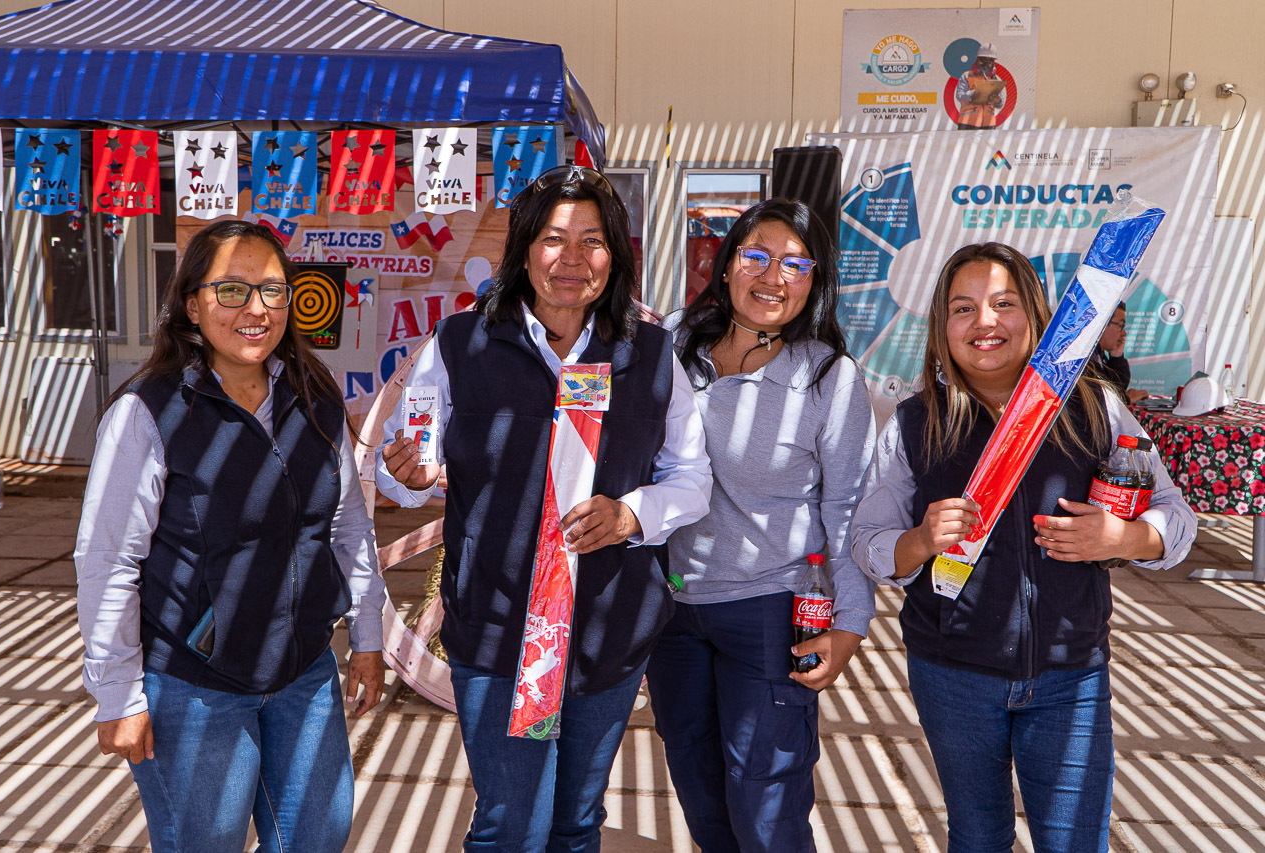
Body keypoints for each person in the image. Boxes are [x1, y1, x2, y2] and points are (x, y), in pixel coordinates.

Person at [376, 164, 712, 852]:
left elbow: (691, 477)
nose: (572, 258)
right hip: (499, 631)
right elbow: (409, 465)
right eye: (554, 238)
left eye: (593, 241)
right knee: (512, 825)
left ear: (615, 256)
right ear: (525, 249)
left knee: (575, 822)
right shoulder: (462, 343)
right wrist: (407, 474)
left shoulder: (649, 353)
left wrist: (632, 514)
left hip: (607, 631)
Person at [851, 242, 1196, 852]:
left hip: (1070, 674)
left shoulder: (1094, 408)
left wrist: (1123, 537)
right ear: (942, 326)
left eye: (1003, 303)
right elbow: (868, 543)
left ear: (1035, 316)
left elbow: (1176, 518)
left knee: (1073, 840)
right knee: (977, 836)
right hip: (952, 674)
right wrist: (920, 539)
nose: (984, 322)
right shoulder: (912, 423)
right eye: (963, 308)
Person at [74, 220, 386, 853]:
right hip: (194, 687)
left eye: (272, 290)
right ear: (192, 304)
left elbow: (347, 523)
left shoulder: (314, 395)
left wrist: (369, 636)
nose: (256, 309)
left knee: (317, 838)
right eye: (232, 290)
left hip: (303, 674)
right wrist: (118, 694)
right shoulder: (148, 412)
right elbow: (108, 560)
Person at [646, 198, 877, 852]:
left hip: (771, 611)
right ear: (726, 266)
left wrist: (850, 624)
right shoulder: (673, 345)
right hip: (673, 610)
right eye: (757, 256)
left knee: (765, 807)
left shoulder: (828, 377)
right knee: (700, 792)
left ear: (814, 282)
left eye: (795, 265)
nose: (774, 277)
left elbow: (847, 508)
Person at [1095, 303, 1148, 402]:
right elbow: (1098, 399)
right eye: (1121, 325)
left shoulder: (1099, 355)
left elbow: (1117, 387)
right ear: (1103, 324)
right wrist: (1126, 399)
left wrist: (1116, 356)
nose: (1124, 333)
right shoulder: (1086, 360)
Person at [956, 42, 1005, 129]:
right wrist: (974, 93)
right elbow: (959, 96)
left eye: (989, 62)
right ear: (977, 61)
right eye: (983, 61)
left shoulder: (996, 80)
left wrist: (997, 100)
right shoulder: (967, 76)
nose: (985, 64)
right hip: (968, 124)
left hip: (989, 124)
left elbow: (1000, 104)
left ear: (993, 63)